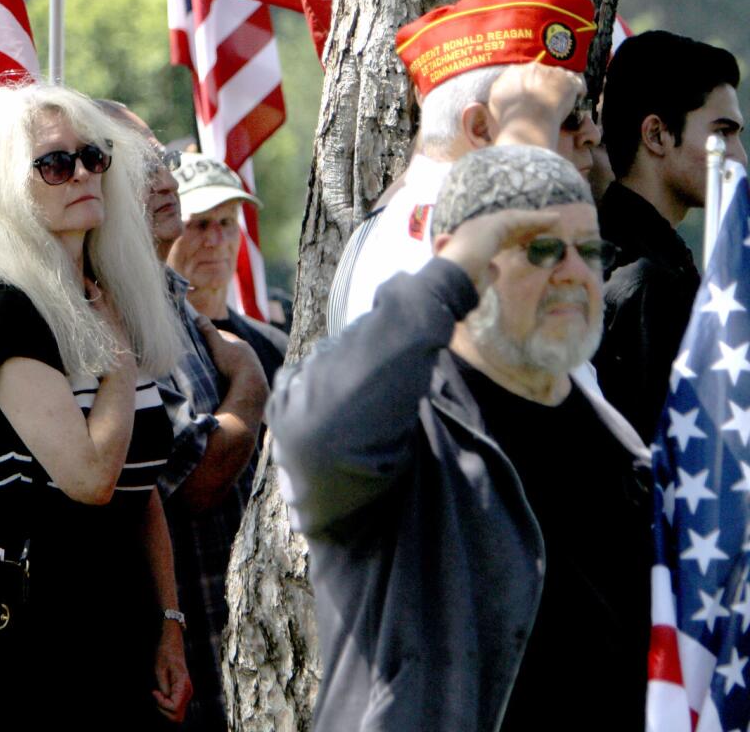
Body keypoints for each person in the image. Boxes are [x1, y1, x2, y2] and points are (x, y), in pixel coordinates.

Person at [274, 145, 649, 732]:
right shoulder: (406, 428)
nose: (576, 272)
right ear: (465, 265)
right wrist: (448, 275)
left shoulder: (619, 447)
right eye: (543, 248)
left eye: (590, 250)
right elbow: (315, 438)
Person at [0, 81, 192, 729]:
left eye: (93, 156)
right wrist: (120, 366)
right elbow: (90, 477)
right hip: (34, 641)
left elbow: (138, 488)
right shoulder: (2, 311)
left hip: (123, 631)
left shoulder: (108, 302)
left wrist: (170, 622)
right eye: (55, 162)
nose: (83, 173)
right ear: (12, 189)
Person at [99, 101, 270, 732]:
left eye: (164, 161)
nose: (166, 179)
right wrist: (250, 381)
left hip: (228, 636)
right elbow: (197, 477)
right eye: (143, 167)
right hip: (174, 655)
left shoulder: (169, 301)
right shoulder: (117, 310)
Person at [327, 0, 602, 334]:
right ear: (481, 128)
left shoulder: (409, 212)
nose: (592, 133)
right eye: (562, 113)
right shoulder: (445, 231)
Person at [594, 30, 746, 441]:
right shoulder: (644, 279)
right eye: (721, 133)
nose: (739, 157)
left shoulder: (657, 261)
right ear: (657, 135)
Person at [167, 153, 288, 377]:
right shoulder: (152, 350)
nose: (216, 241)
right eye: (199, 224)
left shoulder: (275, 348)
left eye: (226, 222)